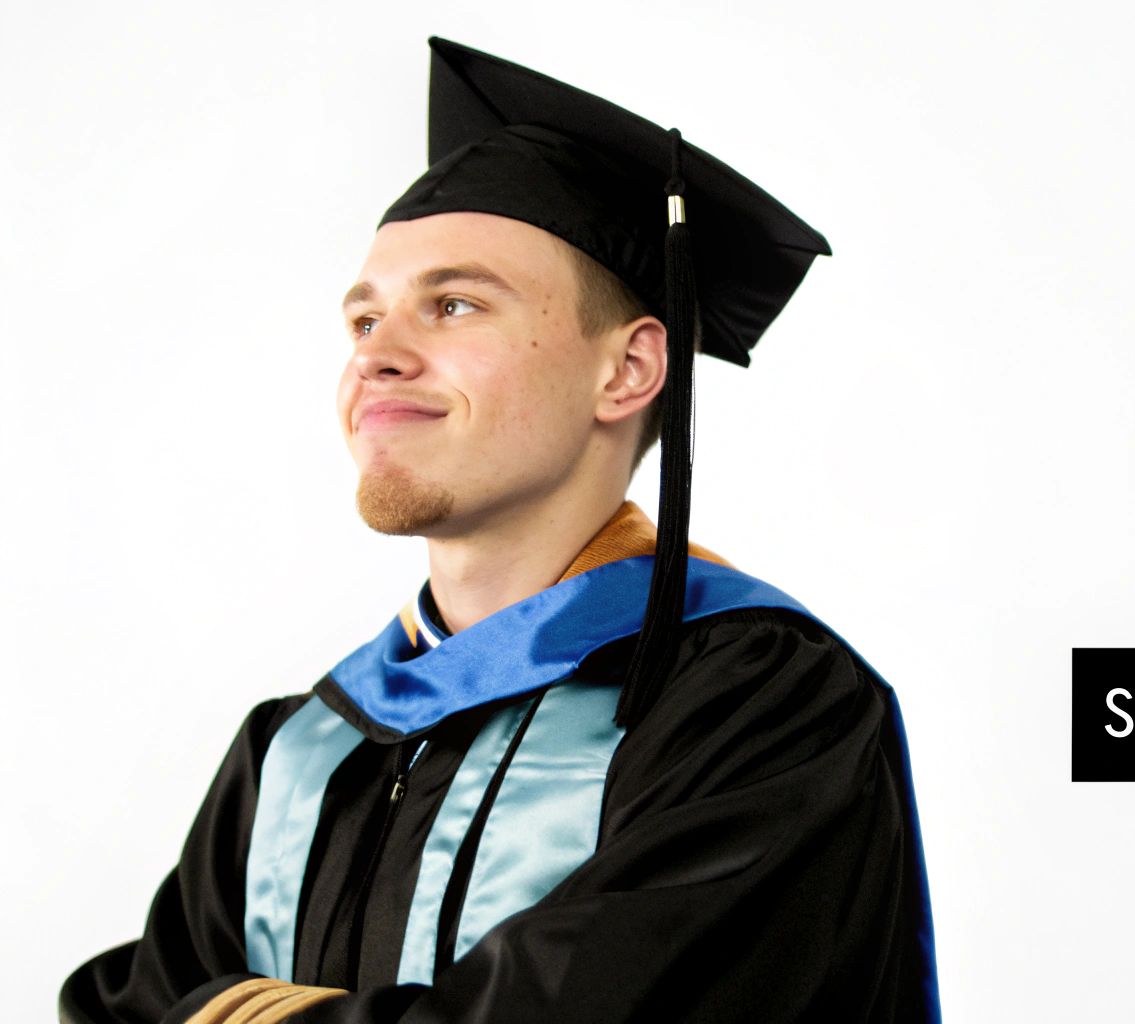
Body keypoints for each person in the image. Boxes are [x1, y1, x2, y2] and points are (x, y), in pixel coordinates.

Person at [58, 36, 938, 1024]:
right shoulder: (299, 751)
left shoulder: (762, 709)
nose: (377, 356)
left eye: (454, 304)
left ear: (628, 371)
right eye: (363, 321)